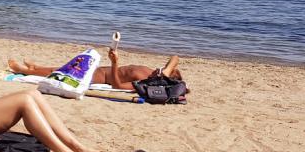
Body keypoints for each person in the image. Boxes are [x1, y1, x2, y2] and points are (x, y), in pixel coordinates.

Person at [9, 48, 182, 91]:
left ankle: (25, 71)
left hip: (100, 78)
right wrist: (166, 70)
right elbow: (175, 58)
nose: (159, 69)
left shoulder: (147, 83)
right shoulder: (153, 72)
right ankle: (36, 67)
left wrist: (114, 63)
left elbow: (118, 86)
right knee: (69, 67)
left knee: (63, 72)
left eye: (165, 72)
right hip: (101, 70)